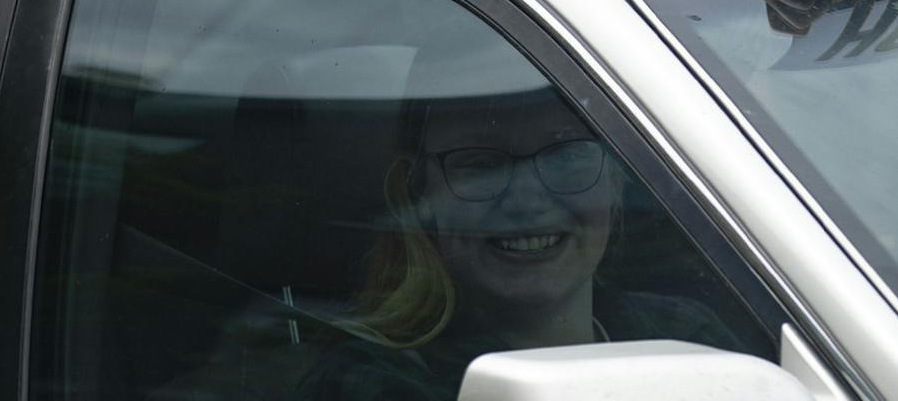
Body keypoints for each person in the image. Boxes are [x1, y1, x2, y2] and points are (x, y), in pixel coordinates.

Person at [297, 80, 739, 400]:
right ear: (418, 194)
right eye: (480, 164)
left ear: (616, 181)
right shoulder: (372, 383)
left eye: (566, 154)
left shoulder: (681, 334)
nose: (526, 202)